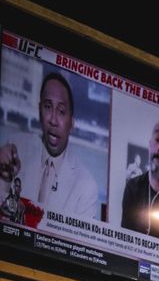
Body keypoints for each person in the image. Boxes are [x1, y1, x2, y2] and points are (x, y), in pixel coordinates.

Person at [0, 70, 100, 222]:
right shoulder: (14, 149)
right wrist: (5, 179)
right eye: (47, 107)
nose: (53, 120)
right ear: (40, 111)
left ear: (71, 122)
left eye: (61, 111)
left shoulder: (86, 187)